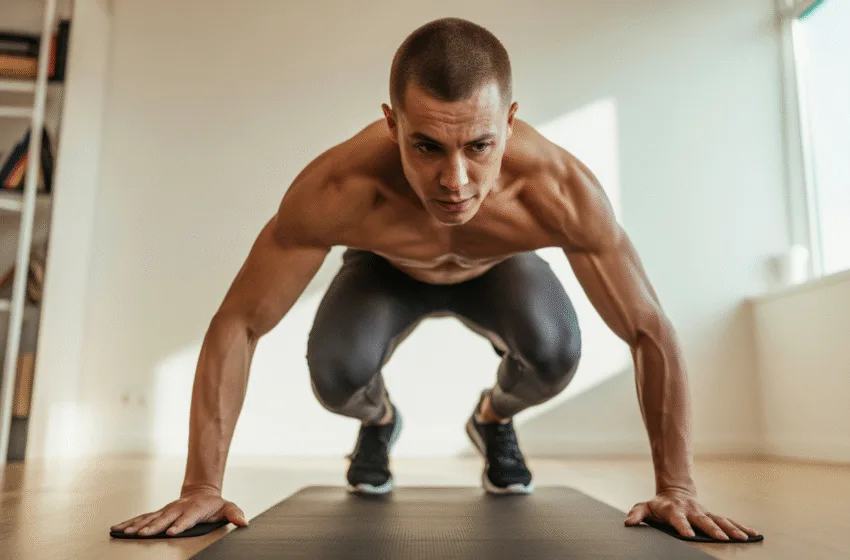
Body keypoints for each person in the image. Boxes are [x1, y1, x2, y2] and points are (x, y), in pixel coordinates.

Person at [111, 17, 758, 542]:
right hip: (384, 271)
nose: (455, 181)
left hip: (498, 269)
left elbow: (647, 328)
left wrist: (677, 488)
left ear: (509, 122)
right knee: (335, 374)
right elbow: (241, 321)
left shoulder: (559, 192)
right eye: (426, 146)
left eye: (478, 146)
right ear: (393, 124)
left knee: (556, 352)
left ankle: (493, 419)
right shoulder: (339, 187)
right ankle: (380, 421)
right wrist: (201, 486)